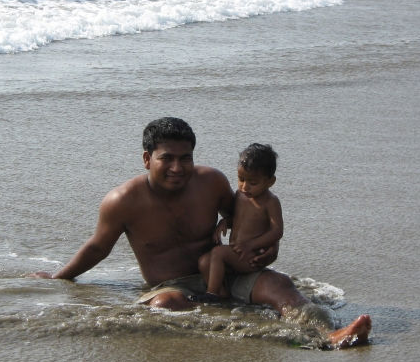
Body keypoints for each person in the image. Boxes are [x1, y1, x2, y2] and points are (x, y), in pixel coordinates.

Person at [31, 117, 370, 347]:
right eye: (167, 158)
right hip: (172, 285)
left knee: (280, 285)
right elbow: (97, 248)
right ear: (147, 159)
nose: (178, 167)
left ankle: (330, 334)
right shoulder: (122, 201)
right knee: (165, 304)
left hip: (227, 272)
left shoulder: (211, 182)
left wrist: (269, 248)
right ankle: (234, 328)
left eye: (186, 158)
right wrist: (59, 277)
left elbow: (243, 215)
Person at [196, 143, 283, 302]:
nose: (245, 186)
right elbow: (240, 220)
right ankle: (222, 293)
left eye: (253, 183)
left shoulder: (270, 202)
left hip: (251, 256)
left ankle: (211, 294)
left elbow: (277, 231)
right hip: (236, 252)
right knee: (204, 261)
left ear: (270, 182)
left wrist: (251, 245)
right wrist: (225, 222)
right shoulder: (240, 195)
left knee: (218, 253)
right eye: (241, 179)